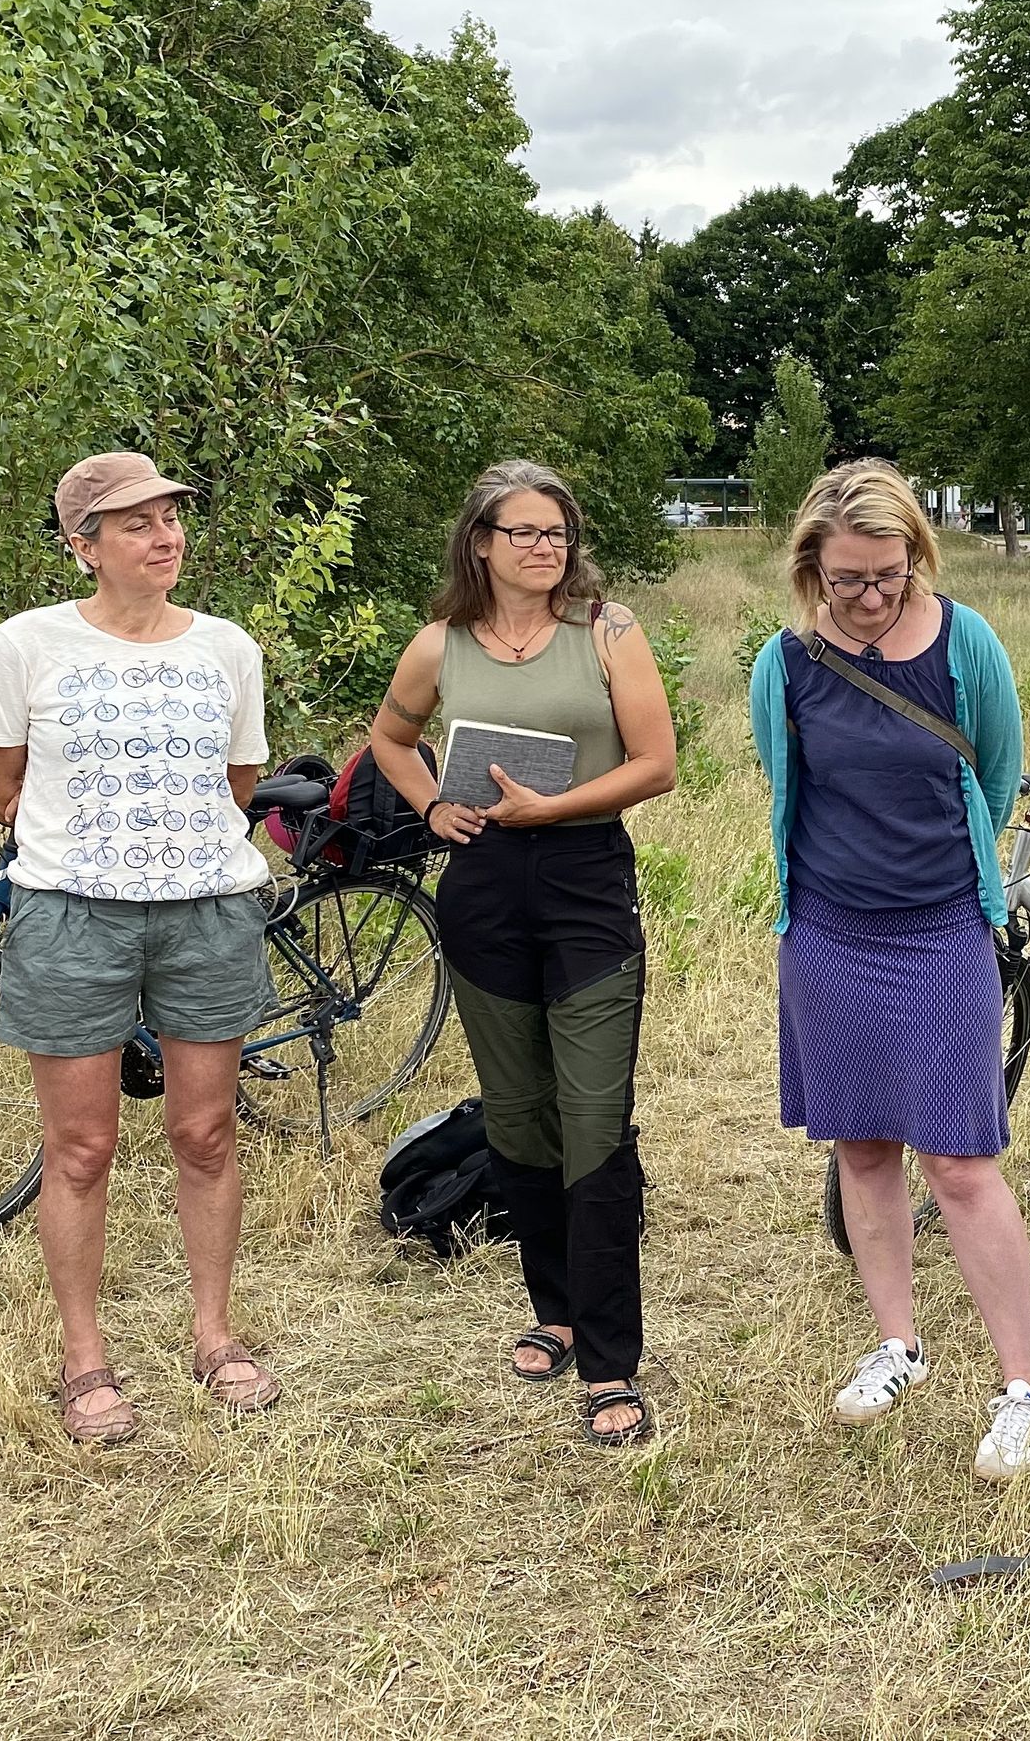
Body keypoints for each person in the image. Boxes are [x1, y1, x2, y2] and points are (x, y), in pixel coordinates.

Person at [0, 452, 282, 1444]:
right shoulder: (26, 646)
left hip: (205, 913)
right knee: (82, 1146)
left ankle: (215, 1336)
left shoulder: (226, 649)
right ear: (83, 544)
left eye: (171, 518)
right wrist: (88, 848)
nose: (164, 537)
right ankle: (85, 1362)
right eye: (136, 523)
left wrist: (170, 854)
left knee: (206, 1131)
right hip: (70, 917)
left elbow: (237, 785)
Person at [747, 459, 1030, 1482]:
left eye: (890, 575)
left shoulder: (966, 645)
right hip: (828, 933)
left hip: (939, 932)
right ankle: (898, 1344)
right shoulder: (781, 665)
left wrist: (950, 884)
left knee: (961, 1162)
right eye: (848, 581)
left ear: (917, 556)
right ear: (811, 573)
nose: (871, 598)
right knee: (862, 1149)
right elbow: (787, 786)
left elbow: (994, 775)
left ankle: (1022, 1388)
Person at [369, 460, 677, 1446]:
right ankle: (553, 1310)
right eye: (525, 533)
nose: (545, 548)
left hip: (586, 884)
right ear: (481, 544)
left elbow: (656, 765)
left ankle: (612, 1360)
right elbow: (388, 737)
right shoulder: (439, 644)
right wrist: (430, 805)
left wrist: (557, 808)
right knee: (520, 1116)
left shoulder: (608, 632)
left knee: (595, 1118)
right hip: (486, 890)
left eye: (558, 533)